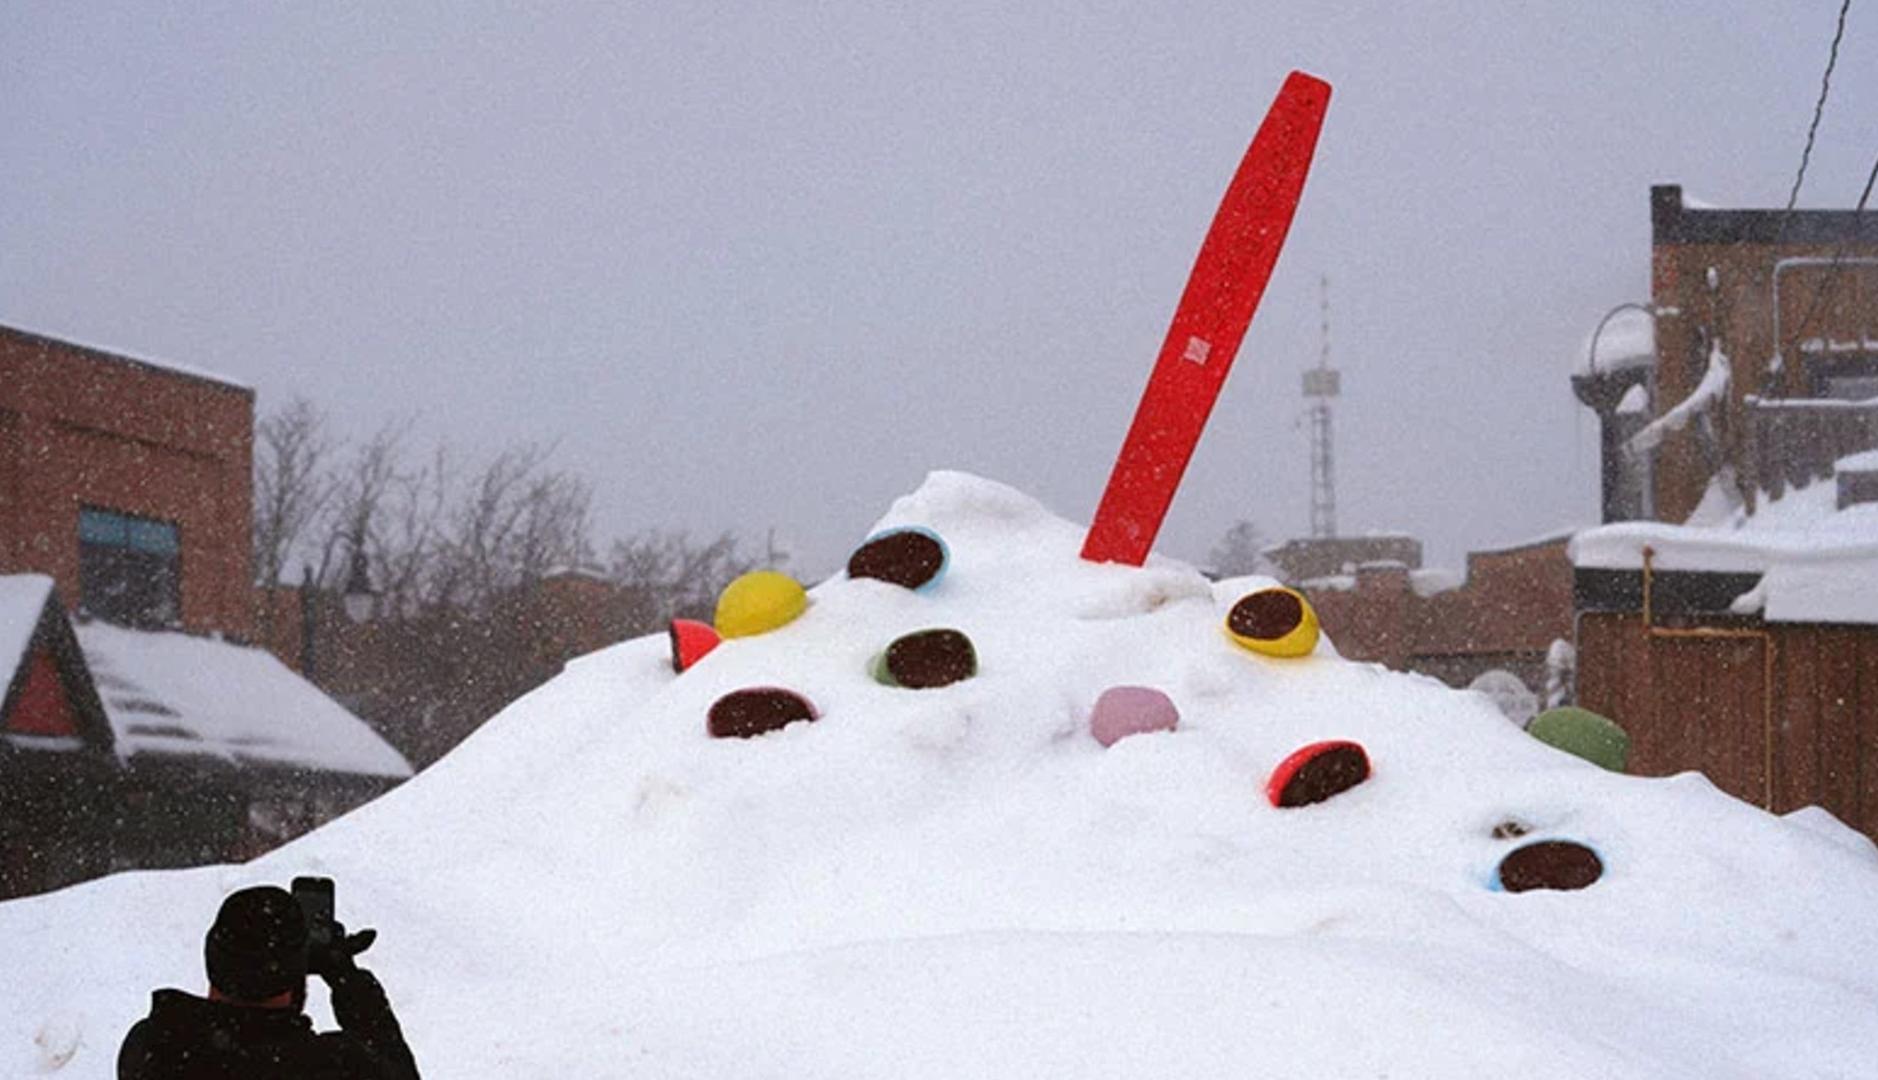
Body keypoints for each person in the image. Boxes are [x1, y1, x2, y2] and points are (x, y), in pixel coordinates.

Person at [118, 884, 419, 1079]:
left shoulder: (150, 1048)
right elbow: (395, 1069)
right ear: (295, 974)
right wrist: (347, 979)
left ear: (213, 961)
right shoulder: (332, 1066)